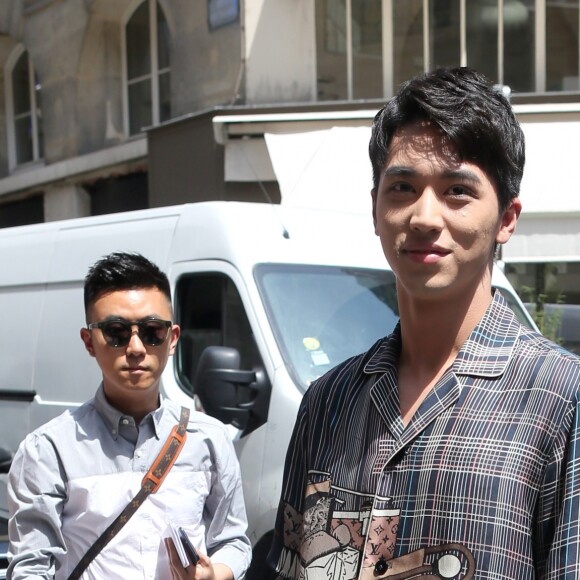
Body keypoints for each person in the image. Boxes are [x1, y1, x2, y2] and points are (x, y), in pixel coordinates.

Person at [268, 67, 580, 579]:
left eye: (457, 190)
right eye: (403, 188)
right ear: (374, 209)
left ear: (506, 218)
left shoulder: (560, 402)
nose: (424, 217)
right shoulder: (328, 402)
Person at [7, 252, 251, 579]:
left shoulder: (210, 438)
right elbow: (31, 569)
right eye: (117, 331)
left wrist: (214, 574)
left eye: (152, 331)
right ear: (89, 341)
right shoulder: (47, 450)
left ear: (173, 338)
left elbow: (233, 541)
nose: (136, 348)